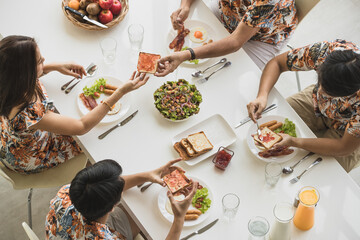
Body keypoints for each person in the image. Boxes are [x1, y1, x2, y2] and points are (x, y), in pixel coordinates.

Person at [0, 35, 149, 174]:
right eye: (40, 61)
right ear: (25, 74)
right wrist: (121, 91)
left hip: (10, 137)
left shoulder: (10, 82)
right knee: (96, 138)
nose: (44, 59)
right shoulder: (28, 112)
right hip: (31, 154)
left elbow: (28, 75)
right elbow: (81, 127)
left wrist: (54, 66)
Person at [247, 39, 360, 172]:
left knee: (320, 171)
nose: (320, 90)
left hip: (347, 133)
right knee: (274, 115)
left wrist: (296, 142)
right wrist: (262, 95)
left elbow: (343, 148)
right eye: (320, 81)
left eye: (328, 92)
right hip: (315, 102)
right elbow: (277, 63)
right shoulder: (326, 52)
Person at [45, 158, 198, 240]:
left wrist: (147, 175)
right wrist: (179, 218)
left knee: (142, 213)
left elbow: (108, 187)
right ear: (113, 207)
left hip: (69, 229)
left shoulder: (66, 192)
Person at [155, 0, 297, 77]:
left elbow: (235, 42)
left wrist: (187, 54)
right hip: (229, 12)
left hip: (262, 38)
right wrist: (185, 5)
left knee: (226, 78)